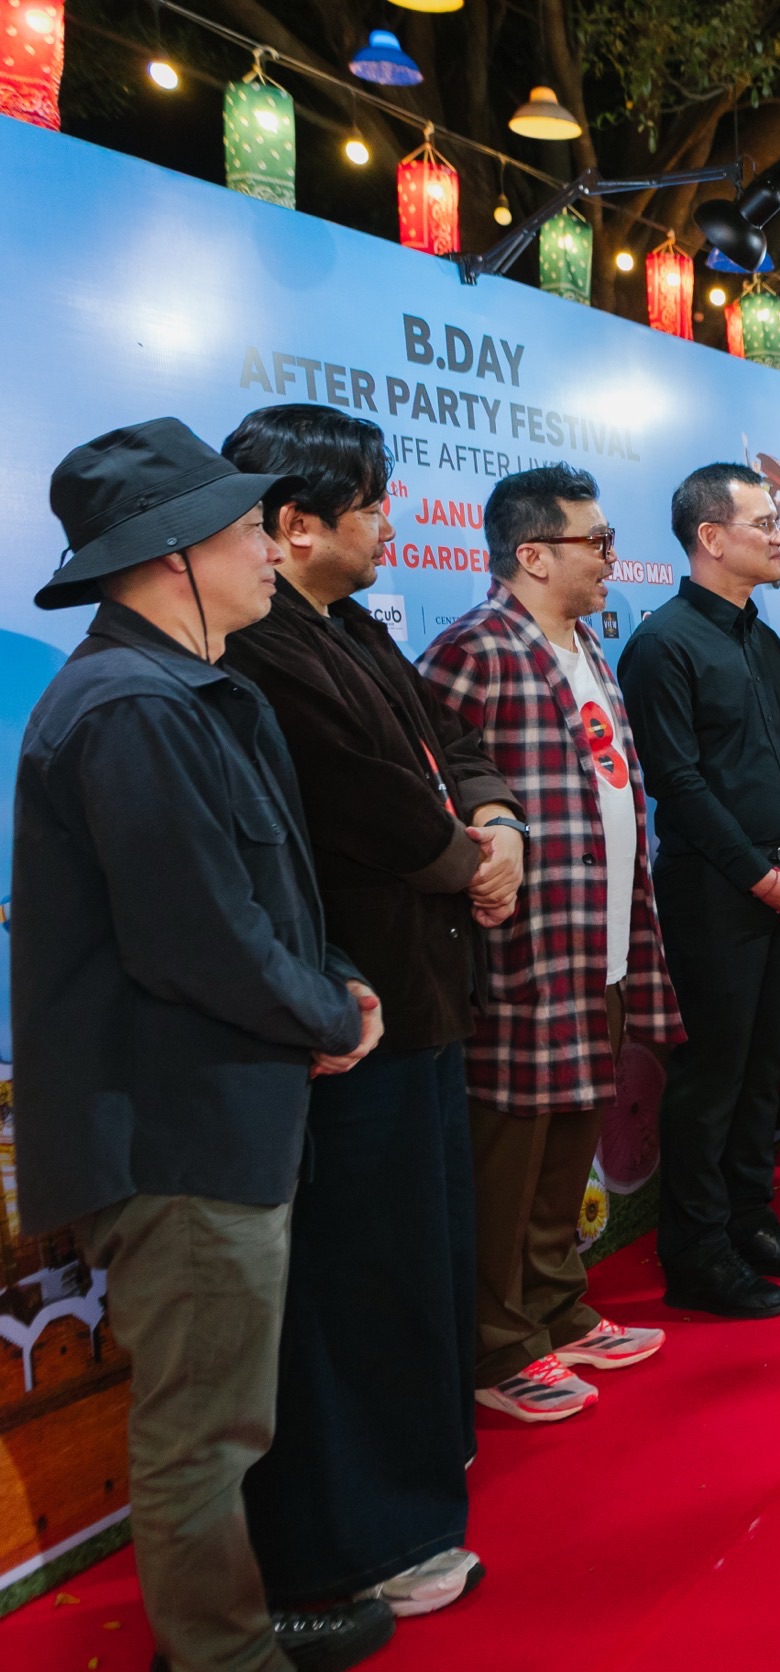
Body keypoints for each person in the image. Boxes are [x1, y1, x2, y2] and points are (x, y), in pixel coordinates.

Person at [15, 418, 393, 1671]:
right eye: (245, 531)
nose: (269, 551)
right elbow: (200, 940)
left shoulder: (185, 691)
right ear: (172, 554)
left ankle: (231, 1623)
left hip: (216, 1112)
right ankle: (220, 1655)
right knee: (205, 1431)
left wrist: (334, 982)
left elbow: (259, 900)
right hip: (175, 1130)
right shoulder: (131, 707)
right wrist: (328, 1016)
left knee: (228, 1419)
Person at [218, 406, 519, 1620]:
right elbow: (368, 800)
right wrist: (469, 860)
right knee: (358, 1279)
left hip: (427, 991)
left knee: (421, 1258)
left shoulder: (352, 626)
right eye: (373, 504)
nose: (390, 523)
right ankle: (366, 1535)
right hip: (350, 1010)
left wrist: (494, 821)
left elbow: (449, 741)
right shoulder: (258, 649)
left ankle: (418, 1485)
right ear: (298, 525)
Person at [418, 465, 678, 1425]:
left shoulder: (587, 647)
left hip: (599, 944)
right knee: (509, 1157)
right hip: (522, 954)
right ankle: (499, 1348)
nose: (612, 558)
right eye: (596, 542)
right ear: (532, 554)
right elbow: (436, 782)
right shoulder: (473, 650)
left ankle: (559, 1308)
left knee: (571, 1142)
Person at [616, 462, 780, 1322]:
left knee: (761, 1073)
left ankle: (753, 1223)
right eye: (766, 522)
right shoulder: (663, 644)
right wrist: (760, 877)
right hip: (716, 891)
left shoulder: (764, 638)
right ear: (711, 537)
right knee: (711, 1079)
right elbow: (676, 783)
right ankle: (698, 1254)